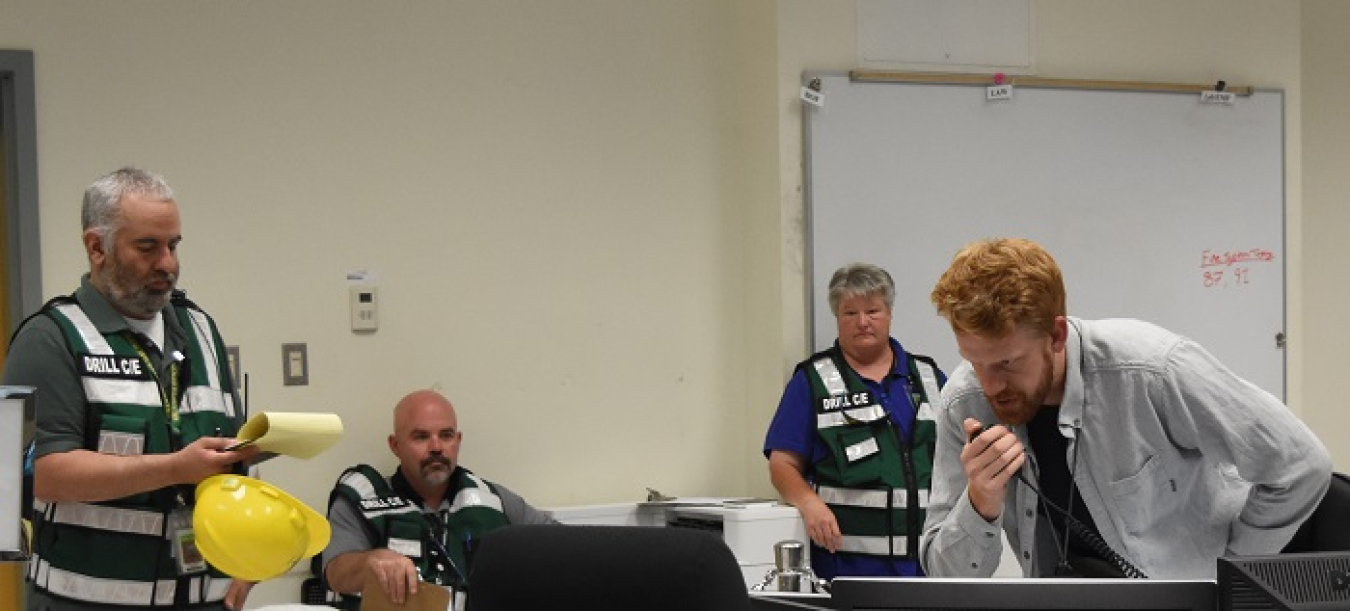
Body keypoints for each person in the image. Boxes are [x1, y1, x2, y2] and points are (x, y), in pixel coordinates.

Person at [920, 237, 1332, 579]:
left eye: (1008, 363)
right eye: (975, 362)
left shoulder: (1153, 370)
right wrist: (980, 503)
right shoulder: (965, 400)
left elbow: (1300, 466)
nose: (990, 385)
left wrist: (1233, 577)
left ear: (1056, 335)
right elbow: (946, 577)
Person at [4, 168, 259, 610]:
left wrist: (253, 553)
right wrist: (174, 467)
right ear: (96, 247)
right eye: (147, 247)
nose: (168, 264)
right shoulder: (49, 338)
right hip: (88, 601)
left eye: (173, 245)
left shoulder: (200, 329)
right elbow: (39, 474)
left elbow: (231, 453)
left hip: (205, 597)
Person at [763, 263, 947, 580]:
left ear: (889, 312)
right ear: (837, 318)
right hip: (849, 570)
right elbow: (782, 464)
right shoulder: (812, 381)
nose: (862, 322)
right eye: (850, 313)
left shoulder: (928, 377)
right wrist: (808, 503)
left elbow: (960, 455)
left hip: (928, 568)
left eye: (872, 311)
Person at [321, 389, 557, 608]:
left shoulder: (494, 502)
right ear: (395, 445)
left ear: (458, 440)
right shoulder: (363, 499)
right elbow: (335, 573)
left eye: (446, 435)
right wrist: (371, 563)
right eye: (421, 437)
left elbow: (562, 548)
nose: (436, 447)